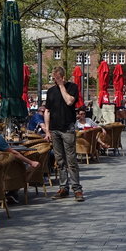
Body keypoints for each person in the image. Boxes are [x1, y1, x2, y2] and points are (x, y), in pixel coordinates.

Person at [44, 66, 83, 201]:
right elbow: (47, 110)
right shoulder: (50, 91)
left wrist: (61, 86)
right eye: (53, 78)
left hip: (67, 128)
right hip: (54, 130)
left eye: (56, 78)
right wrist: (47, 130)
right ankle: (63, 187)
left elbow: (69, 101)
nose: (54, 80)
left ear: (62, 76)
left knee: (71, 160)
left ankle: (77, 189)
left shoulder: (72, 87)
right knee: (60, 161)